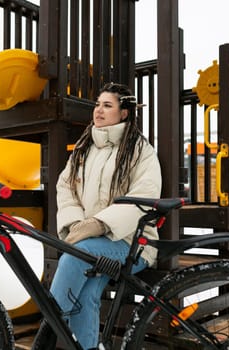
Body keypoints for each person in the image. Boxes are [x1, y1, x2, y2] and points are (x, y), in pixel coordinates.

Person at [49, 82, 162, 349]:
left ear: (124, 113)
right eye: (97, 104)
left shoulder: (139, 150)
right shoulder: (83, 148)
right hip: (90, 239)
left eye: (107, 105)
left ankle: (47, 334)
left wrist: (100, 224)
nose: (98, 110)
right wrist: (77, 223)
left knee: (74, 258)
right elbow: (65, 187)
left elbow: (145, 195)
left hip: (132, 243)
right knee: (86, 294)